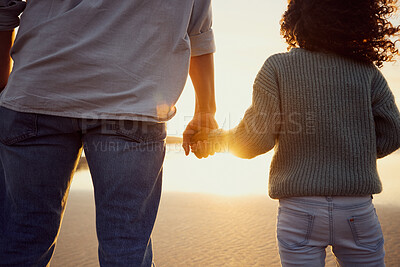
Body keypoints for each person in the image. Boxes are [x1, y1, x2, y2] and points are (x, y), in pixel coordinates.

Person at [0, 0, 218, 266]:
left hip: (38, 87)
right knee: (125, 249)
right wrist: (206, 111)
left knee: (21, 241)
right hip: (133, 100)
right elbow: (198, 29)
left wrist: (4, 83)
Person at [192, 0, 400, 266]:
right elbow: (393, 132)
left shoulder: (277, 68)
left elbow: (255, 139)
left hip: (300, 210)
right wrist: (352, 147)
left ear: (296, 18)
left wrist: (216, 141)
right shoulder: (367, 72)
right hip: (356, 208)